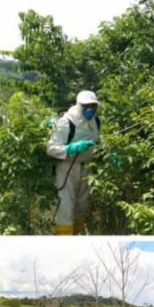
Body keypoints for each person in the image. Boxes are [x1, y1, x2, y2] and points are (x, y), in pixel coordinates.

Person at [46, 90, 100, 235]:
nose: (90, 109)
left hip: (87, 167)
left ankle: (78, 234)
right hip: (67, 168)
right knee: (66, 206)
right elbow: (51, 148)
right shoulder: (66, 122)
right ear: (79, 105)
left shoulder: (96, 121)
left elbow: (98, 141)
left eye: (93, 106)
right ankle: (64, 237)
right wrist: (70, 148)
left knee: (82, 204)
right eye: (86, 105)